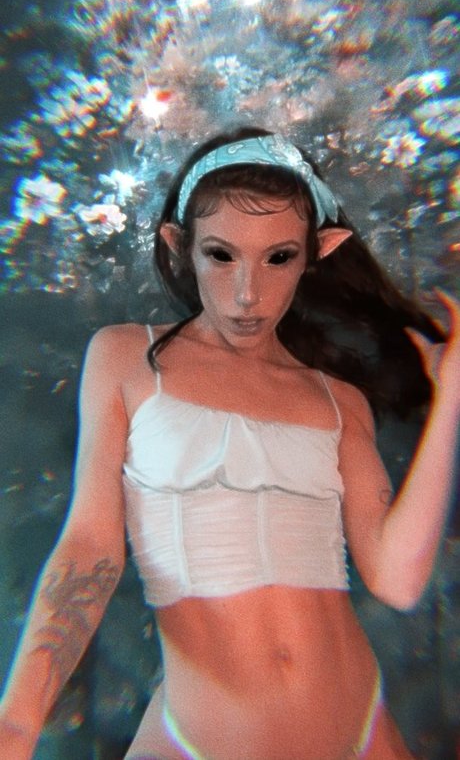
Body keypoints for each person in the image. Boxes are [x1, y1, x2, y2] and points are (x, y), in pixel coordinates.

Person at [0, 127, 458, 760]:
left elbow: (399, 580)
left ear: (317, 252)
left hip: (364, 731)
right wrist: (17, 721)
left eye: (278, 258)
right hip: (200, 740)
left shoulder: (340, 401)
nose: (248, 293)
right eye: (221, 255)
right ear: (179, 245)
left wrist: (452, 394)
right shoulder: (125, 358)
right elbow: (90, 545)